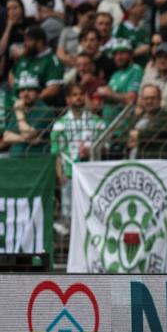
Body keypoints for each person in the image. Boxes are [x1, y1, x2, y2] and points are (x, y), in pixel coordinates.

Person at [51, 83, 106, 229]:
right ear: (68, 100)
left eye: (81, 94)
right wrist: (60, 173)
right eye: (74, 95)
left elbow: (107, 147)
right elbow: (56, 152)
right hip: (69, 173)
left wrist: (91, 150)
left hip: (93, 174)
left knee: (93, 212)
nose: (79, 98)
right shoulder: (59, 124)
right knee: (69, 213)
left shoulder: (97, 122)